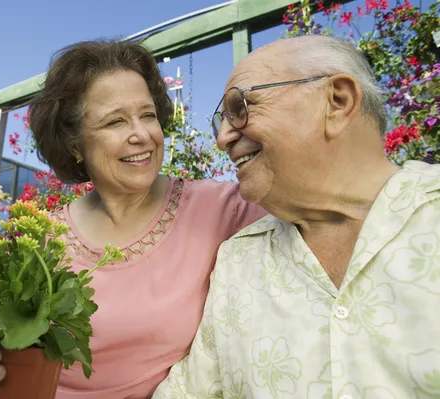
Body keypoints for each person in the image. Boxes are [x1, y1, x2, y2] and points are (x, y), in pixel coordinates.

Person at [0, 40, 266, 399]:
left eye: (148, 115)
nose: (141, 135)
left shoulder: (225, 209)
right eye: (115, 121)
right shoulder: (42, 240)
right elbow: (2, 350)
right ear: (75, 146)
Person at [152, 34, 440, 399]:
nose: (223, 137)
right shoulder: (238, 260)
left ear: (337, 102)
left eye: (239, 107)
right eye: (220, 121)